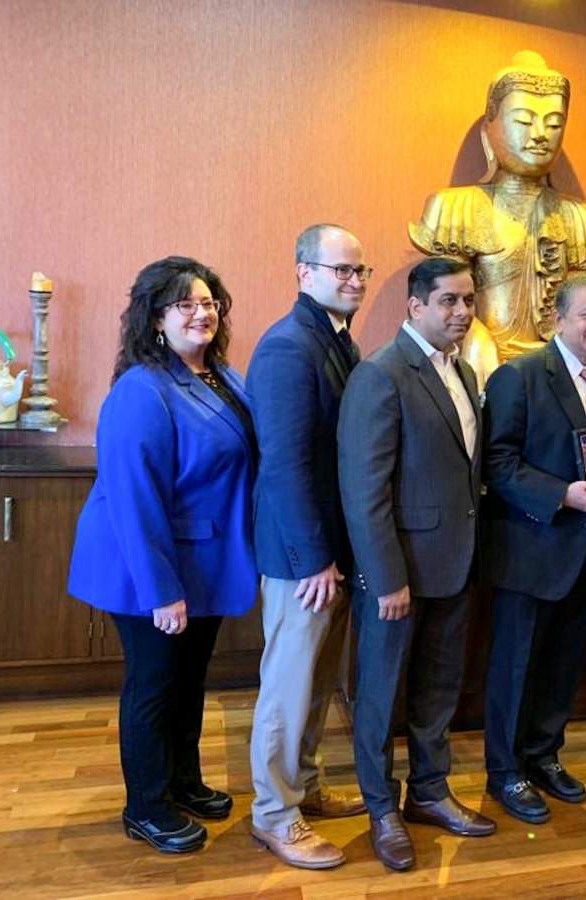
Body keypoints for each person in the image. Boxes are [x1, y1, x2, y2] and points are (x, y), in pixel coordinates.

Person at [68, 256, 256, 854]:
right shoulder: (141, 390)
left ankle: (182, 779)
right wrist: (161, 590)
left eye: (209, 303)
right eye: (184, 305)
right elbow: (134, 500)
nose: (201, 314)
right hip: (146, 565)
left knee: (188, 680)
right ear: (155, 320)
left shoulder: (221, 375)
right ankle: (145, 805)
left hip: (202, 559)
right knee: (154, 683)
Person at [337, 257, 497, 872]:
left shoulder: (461, 372)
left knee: (437, 690)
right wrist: (386, 578)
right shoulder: (382, 374)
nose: (462, 313)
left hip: (455, 565)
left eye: (468, 301)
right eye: (449, 302)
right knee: (380, 697)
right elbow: (364, 489)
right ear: (415, 306)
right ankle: (382, 809)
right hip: (398, 575)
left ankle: (429, 791)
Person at [481, 274, 586, 824]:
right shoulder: (518, 377)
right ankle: (505, 773)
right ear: (557, 320)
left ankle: (543, 756)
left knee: (563, 665)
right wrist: (561, 494)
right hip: (531, 548)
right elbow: (497, 462)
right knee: (515, 666)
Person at [245, 224, 368, 870]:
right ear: (303, 272)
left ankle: (308, 784)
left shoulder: (335, 341)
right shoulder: (289, 348)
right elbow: (284, 466)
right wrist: (316, 559)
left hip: (331, 553)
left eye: (359, 272)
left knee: (318, 682)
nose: (353, 281)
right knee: (288, 685)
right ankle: (273, 813)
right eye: (340, 270)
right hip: (303, 558)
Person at [409, 51, 586, 378]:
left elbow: (582, 314)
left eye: (554, 124)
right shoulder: (455, 208)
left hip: (556, 366)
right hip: (483, 363)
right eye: (523, 120)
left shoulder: (579, 217)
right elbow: (447, 302)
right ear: (489, 130)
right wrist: (481, 347)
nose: (540, 135)